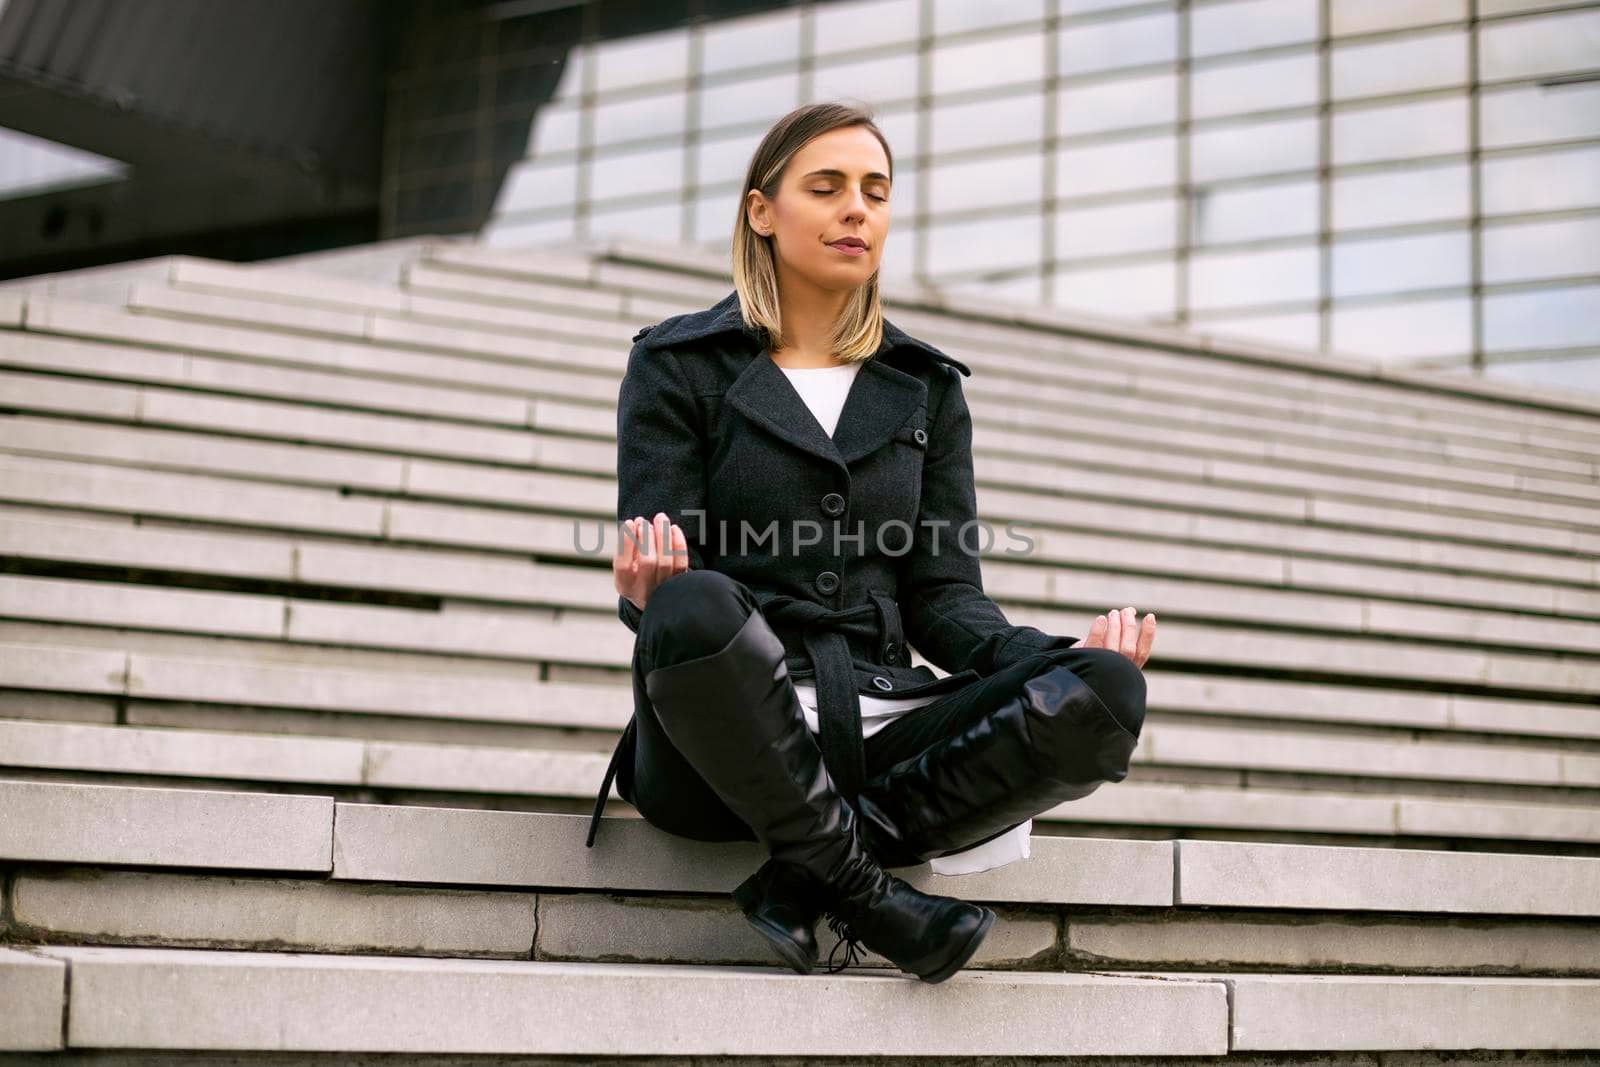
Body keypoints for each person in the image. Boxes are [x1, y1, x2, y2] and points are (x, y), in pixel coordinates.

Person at [586, 101, 1156, 984]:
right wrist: (646, 593)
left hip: (880, 719)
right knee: (695, 601)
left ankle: (802, 883)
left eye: (876, 191)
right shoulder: (678, 364)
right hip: (722, 738)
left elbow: (942, 595)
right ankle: (876, 898)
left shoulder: (924, 387)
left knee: (1104, 690)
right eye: (827, 187)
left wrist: (1043, 658)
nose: (858, 208)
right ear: (762, 211)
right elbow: (672, 586)